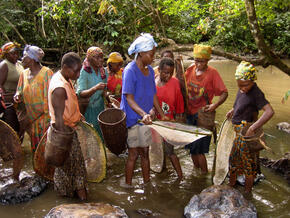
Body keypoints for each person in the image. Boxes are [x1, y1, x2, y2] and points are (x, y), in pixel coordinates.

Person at [120, 33, 169, 186]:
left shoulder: (149, 71)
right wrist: (144, 114)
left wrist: (161, 114)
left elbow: (153, 94)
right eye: (151, 54)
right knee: (134, 154)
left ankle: (147, 184)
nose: (153, 58)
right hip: (133, 119)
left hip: (145, 119)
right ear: (141, 53)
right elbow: (129, 98)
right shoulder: (130, 71)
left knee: (145, 152)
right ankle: (128, 185)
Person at [226, 61, 274, 193]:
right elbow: (240, 104)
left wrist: (253, 128)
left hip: (246, 133)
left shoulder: (256, 93)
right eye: (239, 85)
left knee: (247, 164)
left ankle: (247, 193)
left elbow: (269, 111)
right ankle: (231, 185)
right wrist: (232, 110)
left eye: (245, 85)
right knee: (233, 160)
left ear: (252, 81)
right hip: (237, 132)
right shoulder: (242, 88)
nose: (242, 88)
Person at [48, 52, 87, 200]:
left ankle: (71, 199)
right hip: (63, 134)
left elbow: (67, 107)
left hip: (68, 129)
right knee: (74, 169)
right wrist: (66, 144)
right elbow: (59, 120)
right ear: (65, 67)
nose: (78, 74)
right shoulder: (59, 88)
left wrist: (77, 115)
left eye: (79, 70)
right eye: (76, 71)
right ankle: (82, 202)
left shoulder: (65, 78)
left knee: (70, 169)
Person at [184, 44, 228, 174]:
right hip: (189, 114)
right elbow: (181, 85)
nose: (198, 64)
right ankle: (196, 171)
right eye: (196, 60)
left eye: (201, 61)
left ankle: (203, 175)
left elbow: (225, 93)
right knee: (192, 148)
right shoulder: (191, 69)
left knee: (199, 149)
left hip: (203, 116)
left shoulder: (212, 73)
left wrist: (215, 105)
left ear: (207, 61)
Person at [14, 45, 54, 179]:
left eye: (24, 56)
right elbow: (19, 90)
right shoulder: (24, 74)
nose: (22, 59)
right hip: (31, 120)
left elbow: (49, 99)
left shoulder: (46, 73)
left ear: (32, 59)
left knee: (46, 149)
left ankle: (49, 175)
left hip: (45, 119)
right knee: (35, 149)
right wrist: (17, 95)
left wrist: (39, 117)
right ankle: (40, 174)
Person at [155, 57, 184, 179]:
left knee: (170, 151)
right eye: (165, 72)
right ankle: (161, 171)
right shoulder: (152, 83)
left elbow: (180, 106)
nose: (168, 76)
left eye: (170, 73)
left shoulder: (175, 83)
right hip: (155, 123)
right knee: (157, 150)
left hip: (169, 123)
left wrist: (178, 123)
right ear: (159, 70)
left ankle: (180, 176)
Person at [76, 47, 108, 139]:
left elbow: (104, 89)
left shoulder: (103, 71)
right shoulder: (84, 72)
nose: (101, 60)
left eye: (102, 57)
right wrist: (95, 88)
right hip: (88, 108)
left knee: (100, 132)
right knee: (90, 135)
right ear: (89, 59)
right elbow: (81, 93)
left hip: (99, 106)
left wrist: (106, 97)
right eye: (97, 57)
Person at [0, 42, 23, 133]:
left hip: (19, 101)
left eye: (17, 53)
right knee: (11, 128)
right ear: (6, 55)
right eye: (12, 53)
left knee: (20, 127)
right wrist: (5, 98)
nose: (15, 55)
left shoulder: (19, 64)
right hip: (8, 102)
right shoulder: (4, 65)